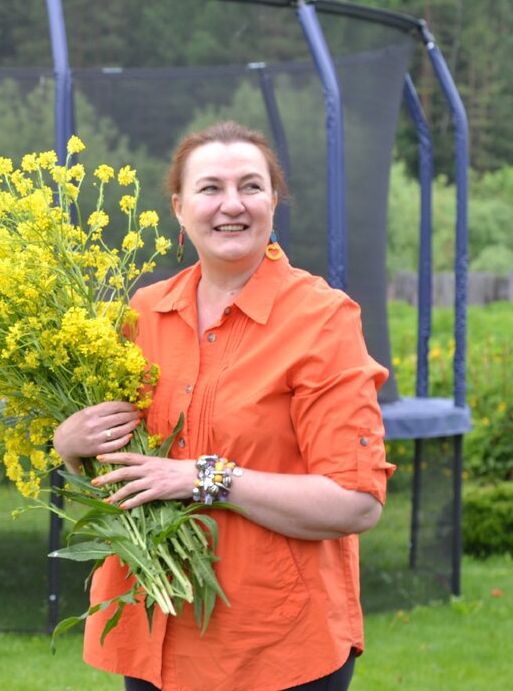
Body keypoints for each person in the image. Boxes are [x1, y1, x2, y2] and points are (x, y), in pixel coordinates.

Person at [52, 121, 394, 691]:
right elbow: (128, 474)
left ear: (273, 202)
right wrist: (72, 446)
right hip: (155, 632)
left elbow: (355, 503)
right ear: (180, 209)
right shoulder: (143, 314)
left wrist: (203, 478)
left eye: (251, 187)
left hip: (277, 647)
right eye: (210, 188)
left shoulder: (322, 320)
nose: (231, 204)